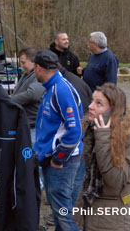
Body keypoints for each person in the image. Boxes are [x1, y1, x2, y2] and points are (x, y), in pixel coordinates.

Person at [80, 83, 130, 231]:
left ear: (113, 110)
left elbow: (115, 181)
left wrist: (102, 138)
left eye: (99, 103)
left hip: (114, 218)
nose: (90, 106)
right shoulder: (90, 130)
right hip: (88, 212)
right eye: (92, 101)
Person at [33, 49, 83, 231]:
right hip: (52, 159)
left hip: (62, 163)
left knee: (63, 216)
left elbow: (75, 130)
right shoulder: (52, 87)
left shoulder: (60, 90)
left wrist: (58, 158)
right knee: (58, 214)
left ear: (38, 67)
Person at [11, 48, 44, 143]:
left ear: (33, 62)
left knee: (30, 156)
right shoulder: (26, 74)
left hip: (32, 128)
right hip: (24, 125)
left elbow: (33, 94)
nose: (21, 66)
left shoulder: (37, 76)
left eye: (23, 63)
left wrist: (9, 100)